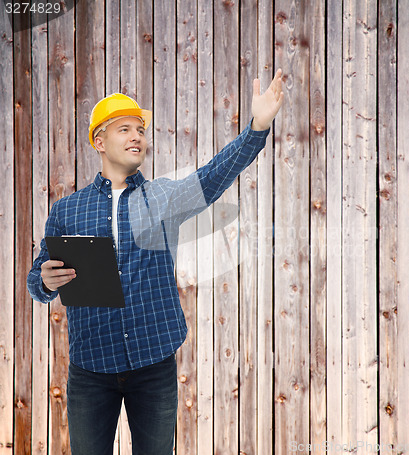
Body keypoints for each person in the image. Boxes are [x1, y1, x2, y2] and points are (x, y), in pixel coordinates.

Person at [27, 70, 284, 455]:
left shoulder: (164, 197)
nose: (137, 137)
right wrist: (45, 282)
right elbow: (38, 279)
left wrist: (257, 127)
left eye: (141, 130)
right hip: (90, 369)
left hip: (153, 365)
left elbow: (215, 174)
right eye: (125, 129)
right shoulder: (67, 209)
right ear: (99, 141)